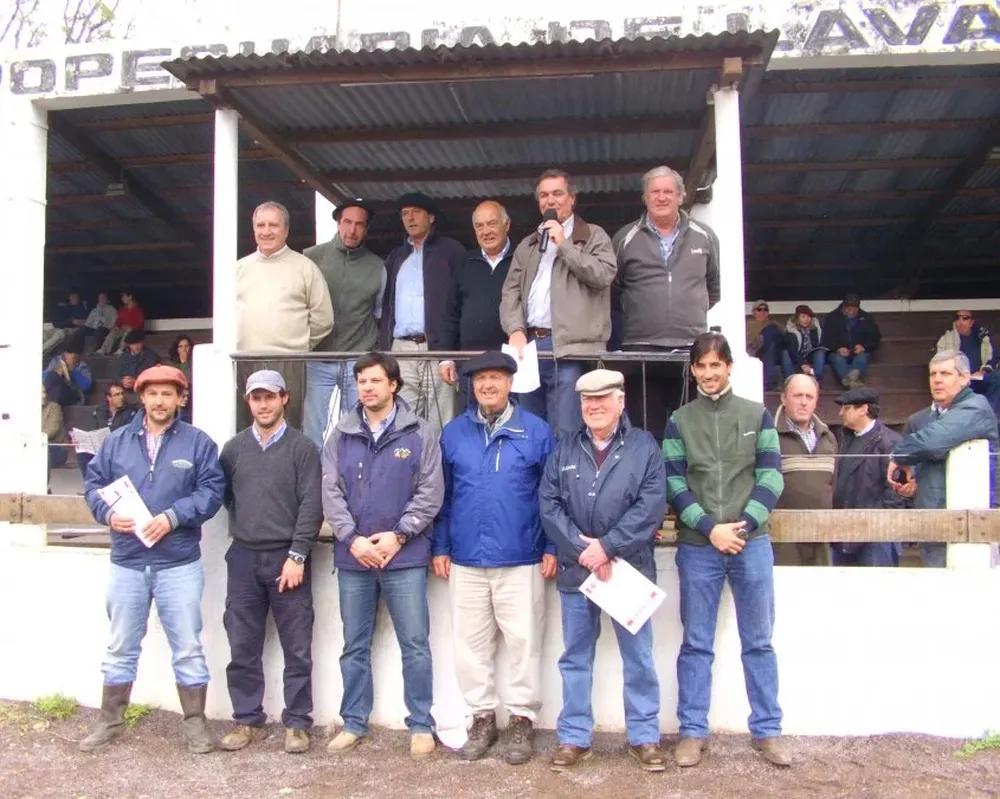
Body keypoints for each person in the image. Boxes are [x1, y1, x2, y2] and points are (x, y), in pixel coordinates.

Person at [80, 365, 225, 754]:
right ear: (141, 397)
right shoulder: (115, 442)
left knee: (188, 646)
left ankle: (195, 724)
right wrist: (109, 515)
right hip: (126, 561)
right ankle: (109, 721)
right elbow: (93, 487)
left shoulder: (198, 443)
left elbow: (212, 491)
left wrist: (173, 516)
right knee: (121, 645)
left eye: (168, 393)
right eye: (152, 394)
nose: (160, 401)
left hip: (178, 563)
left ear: (181, 398)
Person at [663, 332, 789, 768]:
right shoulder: (680, 420)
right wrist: (709, 527)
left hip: (751, 544)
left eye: (717, 364)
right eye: (702, 365)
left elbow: (772, 477)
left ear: (729, 366)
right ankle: (693, 731)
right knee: (696, 643)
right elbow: (674, 482)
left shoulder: (758, 415)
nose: (709, 372)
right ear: (693, 370)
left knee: (759, 642)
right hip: (699, 546)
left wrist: (743, 524)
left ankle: (768, 730)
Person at [539, 368, 667, 772]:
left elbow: (651, 507)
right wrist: (584, 549)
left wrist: (608, 547)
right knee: (575, 657)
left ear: (620, 401)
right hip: (579, 572)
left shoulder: (645, 446)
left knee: (639, 658)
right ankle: (574, 737)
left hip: (629, 570)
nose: (593, 407)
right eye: (586, 400)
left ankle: (644, 737)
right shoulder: (564, 448)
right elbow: (549, 504)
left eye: (601, 399)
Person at [432, 351, 556, 765]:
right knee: (470, 645)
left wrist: (552, 547)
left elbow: (551, 498)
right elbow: (443, 498)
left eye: (496, 378)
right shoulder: (453, 434)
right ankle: (481, 718)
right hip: (466, 558)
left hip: (522, 557)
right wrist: (440, 546)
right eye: (481, 378)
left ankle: (521, 720)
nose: (487, 385)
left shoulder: (536, 432)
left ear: (510, 383)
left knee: (524, 644)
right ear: (472, 385)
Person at [321, 352, 443, 758]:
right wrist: (352, 539)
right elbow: (330, 493)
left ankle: (421, 724)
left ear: (393, 384)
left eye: (375, 380)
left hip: (404, 557)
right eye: (361, 381)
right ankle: (354, 721)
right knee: (353, 645)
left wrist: (399, 536)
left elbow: (430, 492)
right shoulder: (340, 434)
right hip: (354, 558)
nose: (367, 388)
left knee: (415, 643)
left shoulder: (421, 433)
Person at [219, 370, 323, 755]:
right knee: (242, 643)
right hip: (244, 556)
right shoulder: (232, 450)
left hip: (287, 557)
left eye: (270, 397)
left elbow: (312, 504)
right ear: (248, 402)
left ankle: (297, 722)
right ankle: (247, 719)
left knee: (297, 645)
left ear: (285, 399)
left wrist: (297, 554)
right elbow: (229, 497)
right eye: (255, 398)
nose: (263, 405)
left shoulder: (302, 448)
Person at [500, 169, 617, 440]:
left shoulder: (593, 236)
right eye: (543, 195)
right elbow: (510, 292)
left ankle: (564, 482)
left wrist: (564, 244)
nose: (550, 201)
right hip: (529, 349)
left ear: (572, 198)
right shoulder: (529, 244)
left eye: (557, 194)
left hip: (571, 349)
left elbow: (602, 276)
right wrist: (515, 329)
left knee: (566, 430)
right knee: (529, 431)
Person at [612, 166, 720, 438]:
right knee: (645, 432)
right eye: (655, 192)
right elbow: (614, 291)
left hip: (689, 350)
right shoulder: (625, 238)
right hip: (640, 351)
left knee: (691, 433)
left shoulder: (705, 236)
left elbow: (713, 288)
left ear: (681, 196)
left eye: (668, 192)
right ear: (645, 198)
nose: (662, 198)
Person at [889, 351, 1000, 568]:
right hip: (934, 526)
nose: (937, 380)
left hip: (973, 526)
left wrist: (898, 455)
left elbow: (933, 440)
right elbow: (929, 465)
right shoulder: (930, 418)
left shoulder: (976, 408)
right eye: (933, 374)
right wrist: (913, 486)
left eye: (945, 373)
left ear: (965, 378)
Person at [236, 201, 335, 431]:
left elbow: (324, 318)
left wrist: (298, 345)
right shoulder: (238, 269)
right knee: (246, 429)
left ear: (286, 230)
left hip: (290, 362)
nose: (266, 231)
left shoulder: (305, 267)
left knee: (288, 428)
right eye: (261, 225)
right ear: (253, 229)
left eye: (273, 225)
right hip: (244, 361)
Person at [378, 192, 466, 436]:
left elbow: (461, 301)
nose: (410, 218)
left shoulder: (451, 251)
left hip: (437, 347)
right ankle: (411, 472)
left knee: (443, 418)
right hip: (401, 348)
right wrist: (386, 347)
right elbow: (385, 305)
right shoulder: (396, 257)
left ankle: (442, 474)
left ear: (431, 217)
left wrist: (450, 351)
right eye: (405, 214)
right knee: (404, 418)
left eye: (416, 212)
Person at [303, 198, 386, 446]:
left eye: (359, 224)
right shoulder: (310, 258)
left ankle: (353, 479)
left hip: (357, 358)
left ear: (366, 229)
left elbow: (379, 312)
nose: (352, 230)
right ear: (338, 224)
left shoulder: (378, 266)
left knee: (358, 426)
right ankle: (314, 482)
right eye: (347, 222)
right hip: (317, 357)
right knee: (313, 427)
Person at [438, 201, 514, 410]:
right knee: (471, 423)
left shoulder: (521, 259)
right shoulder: (464, 261)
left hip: (511, 363)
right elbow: (451, 314)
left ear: (506, 225)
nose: (486, 231)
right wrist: (445, 358)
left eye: (491, 224)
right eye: (479, 226)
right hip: (470, 364)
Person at [833, 387, 904, 567]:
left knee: (876, 590)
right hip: (844, 531)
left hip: (876, 536)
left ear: (863, 409)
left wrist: (880, 525)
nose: (840, 413)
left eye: (846, 408)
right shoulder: (847, 437)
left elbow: (895, 492)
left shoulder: (890, 442)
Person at [772, 374, 836, 567]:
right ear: (783, 398)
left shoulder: (828, 438)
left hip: (821, 537)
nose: (803, 402)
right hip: (783, 539)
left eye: (809, 397)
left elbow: (833, 484)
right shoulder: (769, 437)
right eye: (797, 396)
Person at [936, 309, 1000, 413]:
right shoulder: (946, 339)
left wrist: (984, 370)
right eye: (958, 318)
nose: (960, 321)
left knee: (997, 377)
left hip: (978, 378)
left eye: (965, 318)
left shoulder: (983, 337)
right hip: (958, 380)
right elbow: (939, 361)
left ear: (971, 322)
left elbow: (993, 357)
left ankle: (987, 412)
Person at [76, 383, 138, 480]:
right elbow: (92, 429)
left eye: (122, 394)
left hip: (119, 447)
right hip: (99, 446)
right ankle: (90, 485)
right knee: (82, 453)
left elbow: (128, 433)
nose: (121, 397)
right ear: (108, 397)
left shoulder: (130, 412)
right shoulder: (99, 411)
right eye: (117, 395)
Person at [821, 293, 881, 389]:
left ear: (857, 308)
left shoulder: (867, 319)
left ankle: (849, 380)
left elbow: (875, 338)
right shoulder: (832, 318)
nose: (850, 312)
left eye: (853, 309)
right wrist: (837, 349)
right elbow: (826, 339)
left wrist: (863, 347)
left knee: (862, 358)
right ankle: (853, 384)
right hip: (838, 352)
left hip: (859, 352)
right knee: (836, 359)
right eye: (847, 309)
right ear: (843, 307)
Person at [781, 305, 826, 382]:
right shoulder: (791, 330)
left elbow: (818, 344)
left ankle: (816, 381)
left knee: (820, 353)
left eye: (808, 317)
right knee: (785, 353)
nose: (806, 320)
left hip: (810, 354)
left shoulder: (815, 328)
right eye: (803, 316)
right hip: (796, 355)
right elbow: (792, 350)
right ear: (797, 318)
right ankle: (790, 382)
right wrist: (803, 364)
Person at [43, 339, 93, 407]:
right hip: (56, 394)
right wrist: (57, 373)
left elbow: (86, 386)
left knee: (58, 387)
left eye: (69, 353)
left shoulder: (82, 366)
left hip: (74, 395)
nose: (65, 355)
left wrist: (72, 369)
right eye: (65, 353)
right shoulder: (56, 361)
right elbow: (44, 378)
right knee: (52, 378)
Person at [747, 300, 783, 390]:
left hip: (775, 350)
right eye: (759, 309)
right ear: (753, 312)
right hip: (755, 350)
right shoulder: (749, 324)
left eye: (765, 309)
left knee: (771, 332)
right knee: (769, 336)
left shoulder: (774, 324)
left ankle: (767, 383)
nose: (762, 312)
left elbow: (784, 338)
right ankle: (768, 382)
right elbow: (748, 342)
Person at [98, 290, 146, 355]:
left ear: (130, 297)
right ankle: (103, 350)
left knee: (127, 332)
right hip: (122, 329)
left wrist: (131, 328)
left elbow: (140, 323)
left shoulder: (138, 310)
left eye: (124, 296)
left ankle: (121, 350)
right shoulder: (123, 309)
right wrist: (117, 326)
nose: (122, 298)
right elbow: (118, 321)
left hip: (135, 331)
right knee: (113, 332)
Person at [168, 335, 194, 423]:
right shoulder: (170, 364)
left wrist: (184, 363)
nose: (184, 349)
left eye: (186, 346)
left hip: (191, 399)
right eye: (181, 346)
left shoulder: (196, 362)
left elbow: (189, 380)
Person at [42, 383, 68, 471]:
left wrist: (32, 440)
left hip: (56, 448)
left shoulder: (54, 407)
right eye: (40, 392)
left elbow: (52, 430)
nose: (44, 395)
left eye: (44, 392)